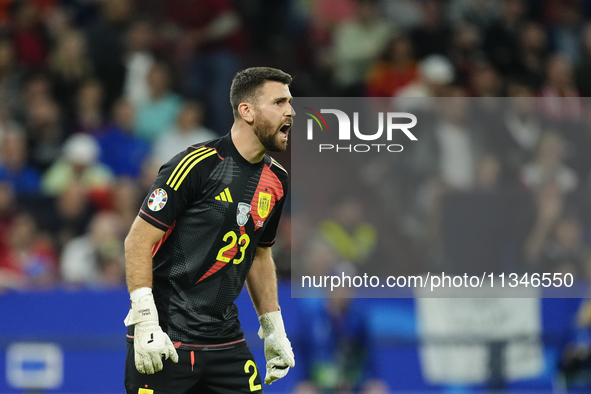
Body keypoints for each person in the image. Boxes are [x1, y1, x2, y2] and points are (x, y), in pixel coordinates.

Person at [123, 67, 295, 393]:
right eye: (279, 102)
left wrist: (273, 327)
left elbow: (258, 254)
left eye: (290, 103)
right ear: (247, 111)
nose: (290, 112)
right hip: (166, 337)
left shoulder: (277, 180)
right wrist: (145, 319)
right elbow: (137, 241)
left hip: (226, 341)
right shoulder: (195, 165)